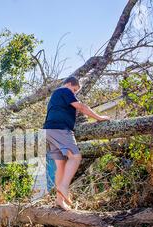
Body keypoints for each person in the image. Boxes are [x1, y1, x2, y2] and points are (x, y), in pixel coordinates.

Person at [43, 76, 110, 210]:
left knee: (60, 165)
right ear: (68, 84)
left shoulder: (55, 97)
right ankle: (64, 187)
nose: (74, 93)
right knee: (75, 157)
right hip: (61, 129)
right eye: (74, 90)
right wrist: (99, 117)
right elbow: (80, 106)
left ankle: (59, 201)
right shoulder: (64, 90)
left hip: (49, 131)